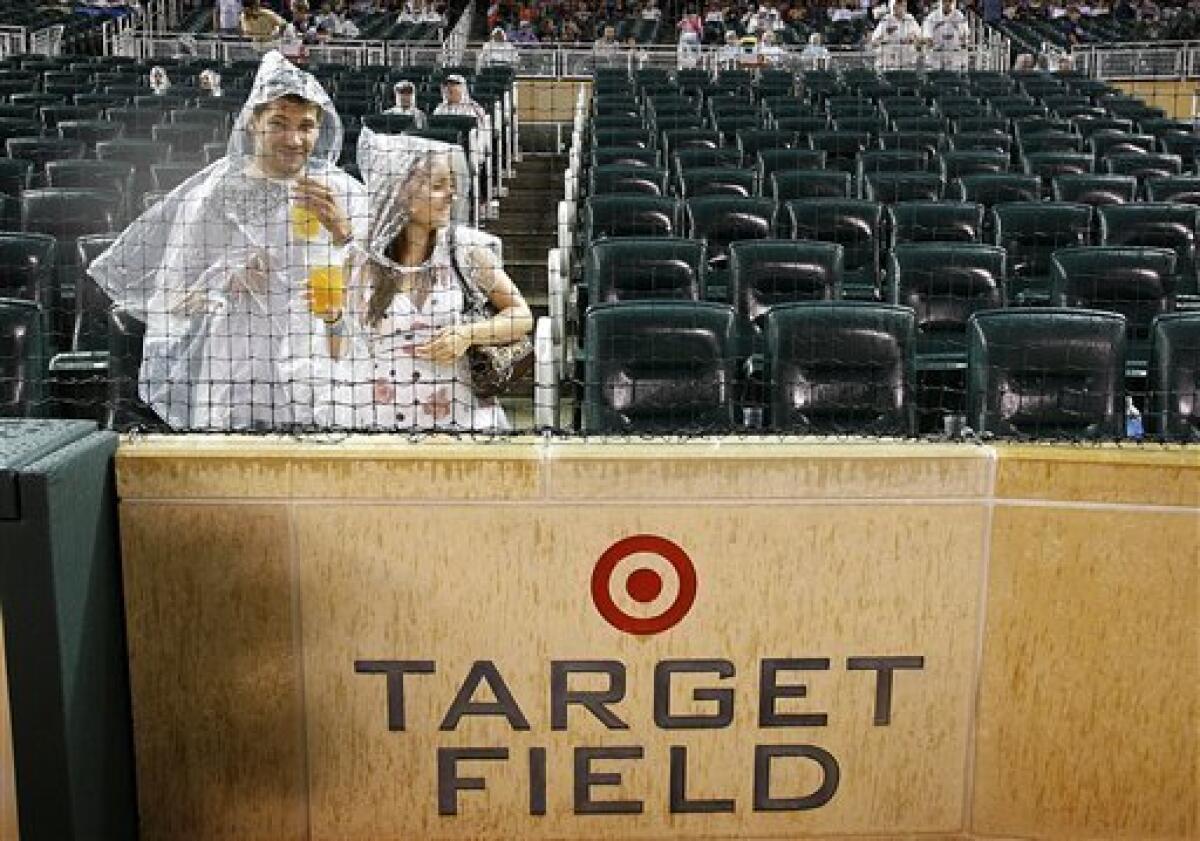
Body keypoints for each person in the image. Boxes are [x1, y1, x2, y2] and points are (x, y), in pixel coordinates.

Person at [87, 51, 369, 431]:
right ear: (254, 123)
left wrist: (343, 232)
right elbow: (170, 298)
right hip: (235, 365)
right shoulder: (216, 193)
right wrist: (221, 280)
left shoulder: (341, 190)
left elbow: (384, 285)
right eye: (279, 124)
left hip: (322, 356)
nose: (294, 139)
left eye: (306, 126)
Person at [331, 130, 532, 431]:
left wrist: (468, 334)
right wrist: (330, 319)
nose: (451, 194)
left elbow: (522, 316)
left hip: (458, 416)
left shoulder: (465, 250)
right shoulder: (359, 259)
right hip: (378, 417)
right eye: (438, 186)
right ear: (401, 191)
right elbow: (337, 347)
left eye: (452, 185)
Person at [871, 0, 921, 65]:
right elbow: (874, 42)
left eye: (903, 5)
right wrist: (885, 39)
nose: (900, 7)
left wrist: (912, 38)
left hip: (908, 61)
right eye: (897, 4)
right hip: (888, 62)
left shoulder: (910, 18)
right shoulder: (886, 20)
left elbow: (920, 39)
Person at [923, 0, 969, 68]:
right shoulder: (932, 17)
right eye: (945, 1)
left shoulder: (960, 17)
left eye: (950, 1)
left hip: (955, 56)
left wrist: (963, 38)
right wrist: (929, 40)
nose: (947, 4)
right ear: (941, 2)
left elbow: (965, 39)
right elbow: (926, 38)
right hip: (936, 55)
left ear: (954, 2)